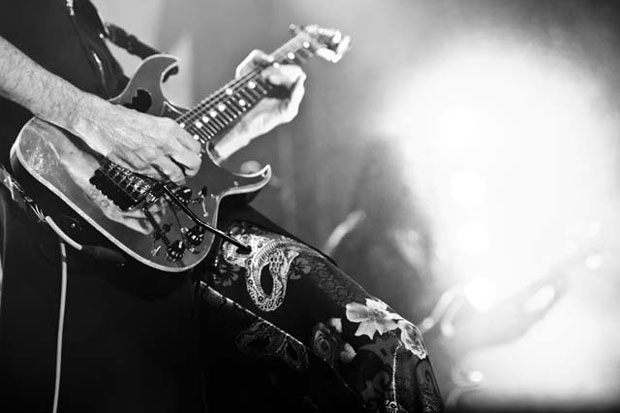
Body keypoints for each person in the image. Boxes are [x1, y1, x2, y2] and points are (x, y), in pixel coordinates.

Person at [0, 1, 443, 412]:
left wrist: (245, 124)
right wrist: (92, 118)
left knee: (387, 346)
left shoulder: (83, 20)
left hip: (174, 228)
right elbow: (106, 128)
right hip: (61, 224)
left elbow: (151, 157)